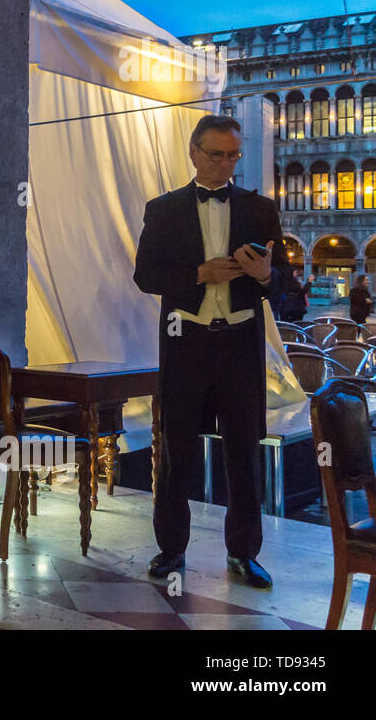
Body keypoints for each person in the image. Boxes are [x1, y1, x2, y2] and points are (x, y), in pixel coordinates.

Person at [134, 114, 288, 590]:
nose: (226, 164)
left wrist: (264, 275)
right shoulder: (163, 209)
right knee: (176, 450)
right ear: (194, 153)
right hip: (186, 344)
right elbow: (145, 277)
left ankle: (244, 553)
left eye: (233, 155)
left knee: (244, 452)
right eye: (217, 154)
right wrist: (200, 275)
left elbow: (289, 293)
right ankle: (171, 550)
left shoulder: (261, 210)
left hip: (241, 347)